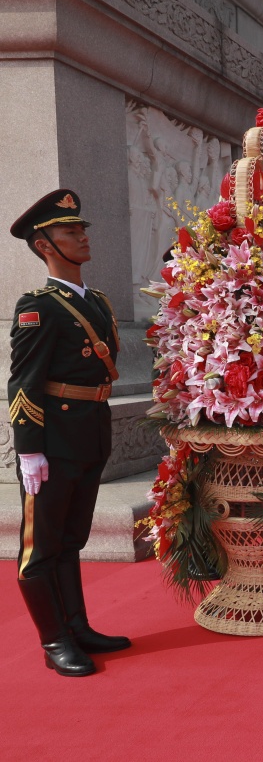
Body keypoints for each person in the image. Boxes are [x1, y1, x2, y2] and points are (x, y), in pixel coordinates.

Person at [8, 189, 130, 677]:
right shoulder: (37, 306)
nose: (82, 236)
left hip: (89, 433)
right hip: (53, 439)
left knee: (71, 539)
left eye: (81, 229)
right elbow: (23, 382)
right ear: (44, 245)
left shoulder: (95, 301)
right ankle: (54, 640)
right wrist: (29, 450)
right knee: (40, 548)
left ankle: (77, 626)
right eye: (69, 231)